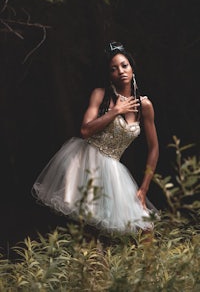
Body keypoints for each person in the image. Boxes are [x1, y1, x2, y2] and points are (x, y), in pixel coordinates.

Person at [32, 41, 159, 234]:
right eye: (114, 69)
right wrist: (115, 111)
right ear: (109, 75)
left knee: (145, 227)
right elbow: (85, 131)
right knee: (92, 229)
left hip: (114, 169)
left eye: (124, 65)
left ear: (132, 68)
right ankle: (92, 262)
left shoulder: (144, 106)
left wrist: (144, 188)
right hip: (86, 162)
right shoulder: (101, 95)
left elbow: (154, 148)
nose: (121, 71)